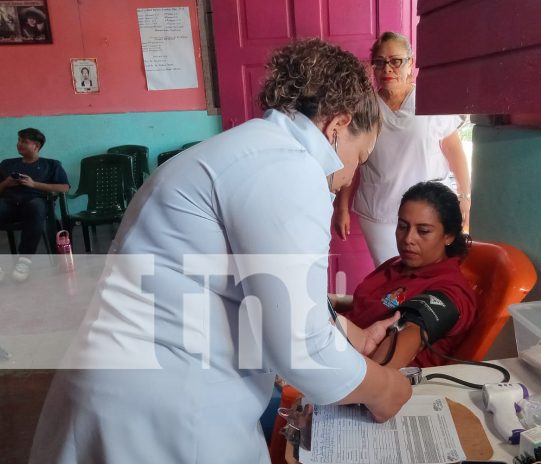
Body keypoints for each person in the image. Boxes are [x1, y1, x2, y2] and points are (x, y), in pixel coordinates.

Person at [29, 39, 411, 464]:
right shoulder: (289, 169)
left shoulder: (247, 149)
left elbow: (264, 294)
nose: (348, 178)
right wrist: (385, 388)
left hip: (124, 384)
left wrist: (352, 335)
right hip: (165, 407)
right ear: (337, 126)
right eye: (361, 157)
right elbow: (301, 348)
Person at [334, 31, 472, 266]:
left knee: (426, 275)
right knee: (389, 275)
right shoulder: (365, 107)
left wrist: (465, 196)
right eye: (380, 62)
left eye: (396, 61)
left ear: (411, 63)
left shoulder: (431, 101)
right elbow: (353, 162)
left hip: (428, 211)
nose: (387, 69)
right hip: (378, 213)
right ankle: (395, 305)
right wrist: (342, 207)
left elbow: (455, 153)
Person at [331, 181, 477, 368]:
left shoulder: (449, 291)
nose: (408, 239)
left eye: (423, 231)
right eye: (402, 226)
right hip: (340, 348)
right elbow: (379, 302)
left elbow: (411, 331)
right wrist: (331, 301)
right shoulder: (398, 265)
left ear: (448, 236)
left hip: (363, 373)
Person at [0, 128, 69, 282]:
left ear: (36, 146)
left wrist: (34, 184)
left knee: (36, 206)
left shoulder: (51, 165)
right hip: (9, 204)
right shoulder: (6, 164)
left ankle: (24, 261)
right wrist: (6, 183)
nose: (19, 144)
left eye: (24, 141)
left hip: (34, 204)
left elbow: (64, 187)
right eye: (18, 140)